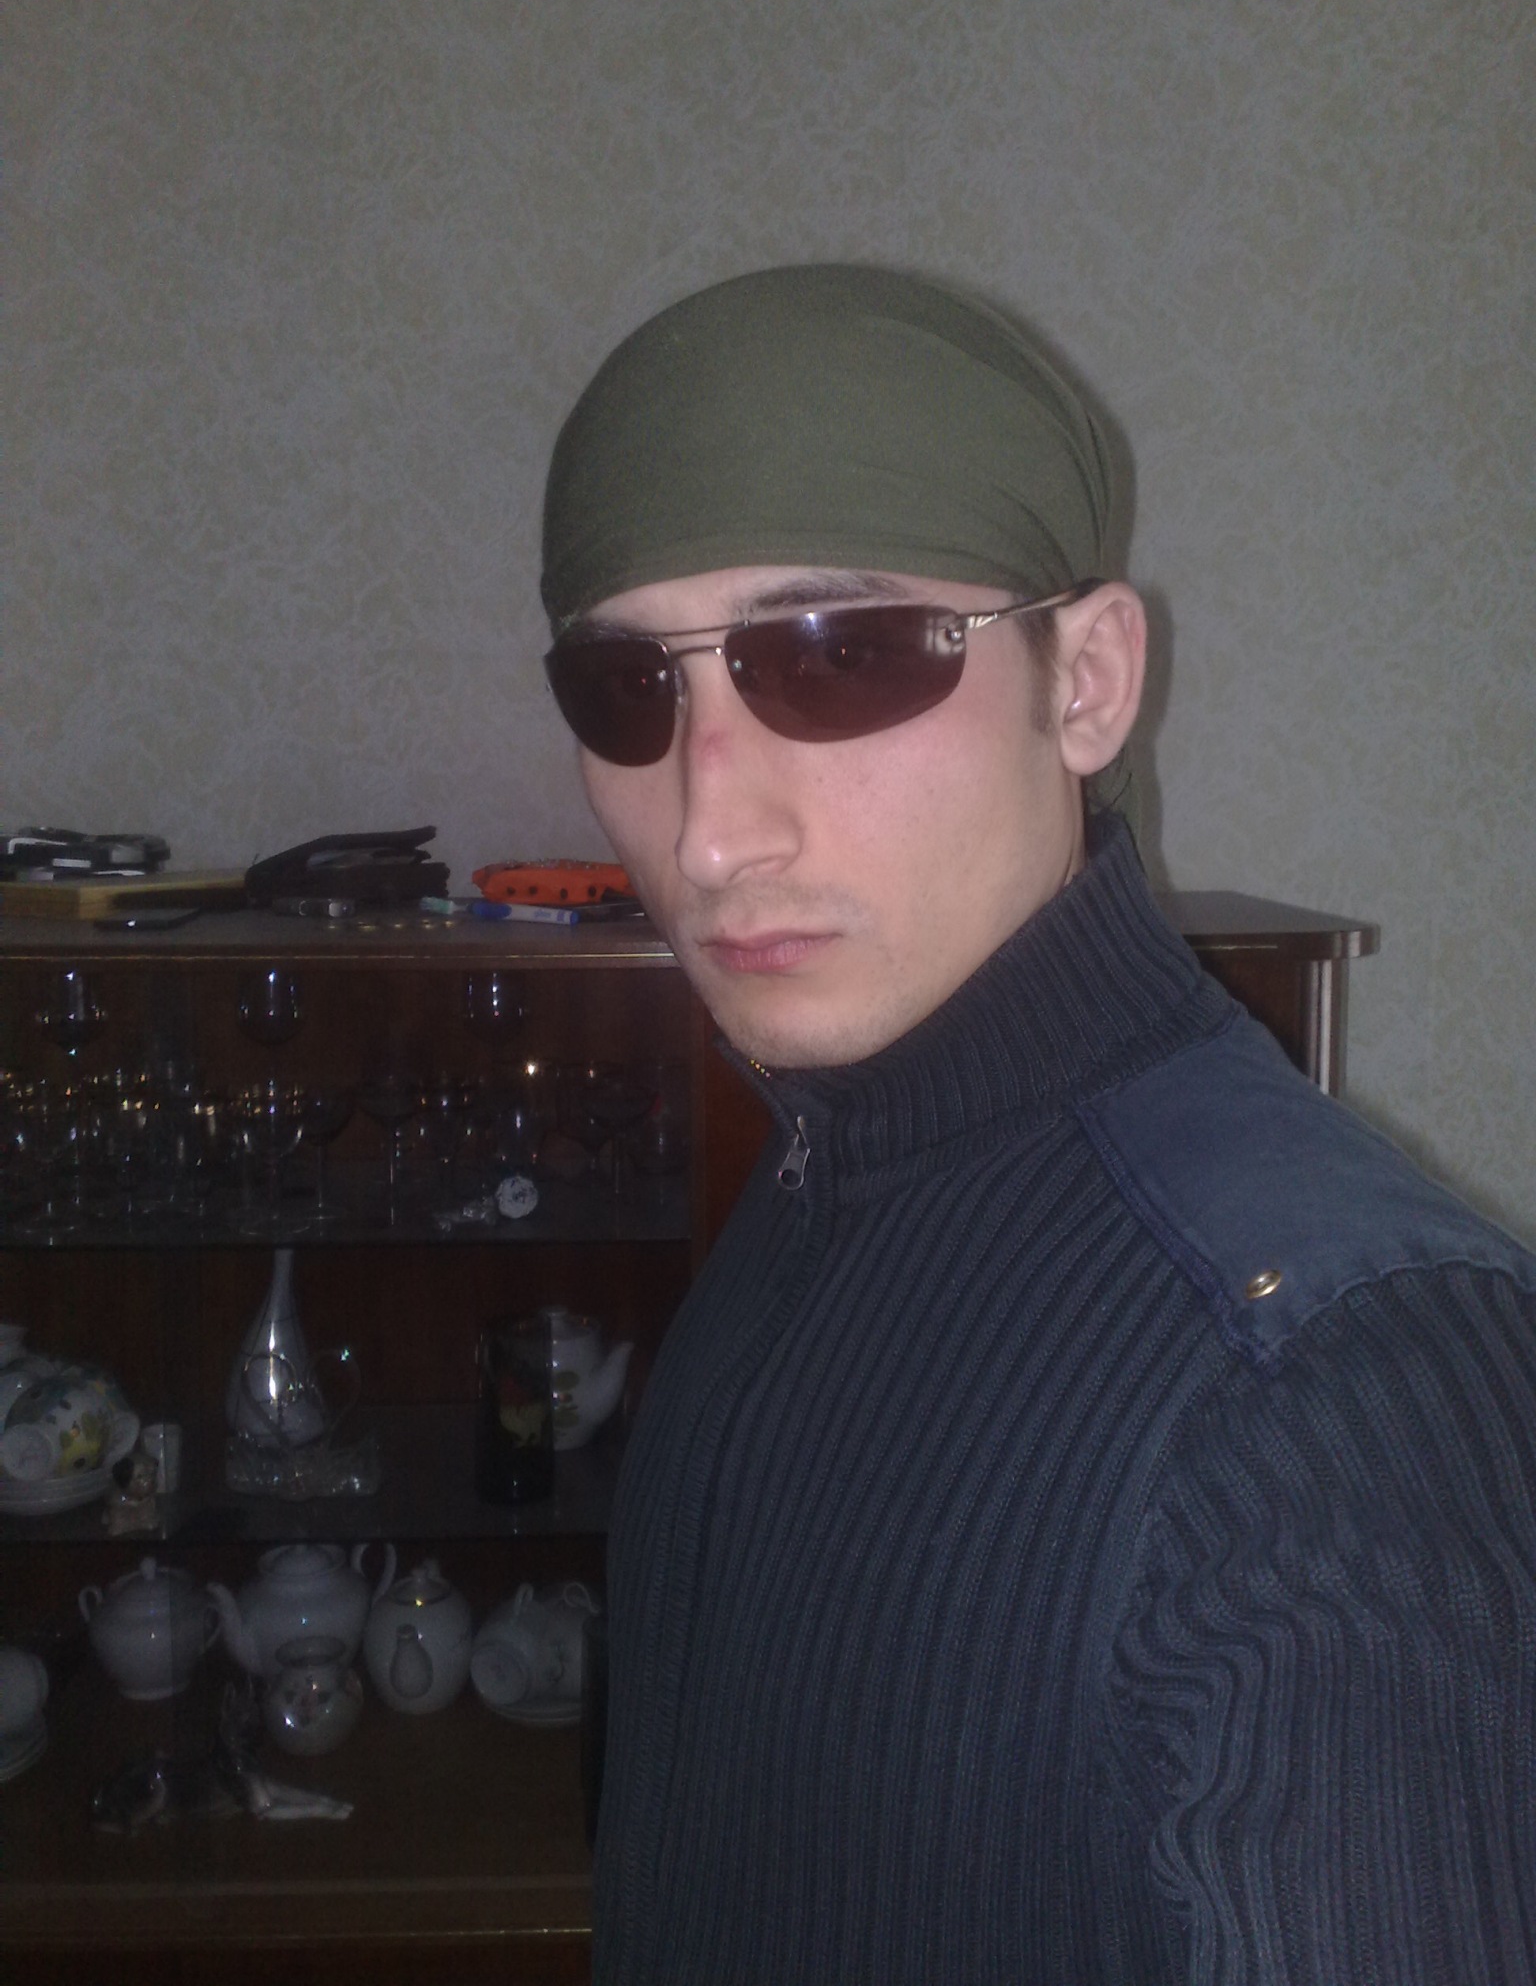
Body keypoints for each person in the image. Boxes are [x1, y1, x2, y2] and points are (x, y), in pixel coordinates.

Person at [537, 265, 1536, 1984]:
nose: (707, 831)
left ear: (1087, 681)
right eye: (631, 693)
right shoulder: (824, 1170)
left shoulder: (1333, 1387)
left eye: (836, 656)